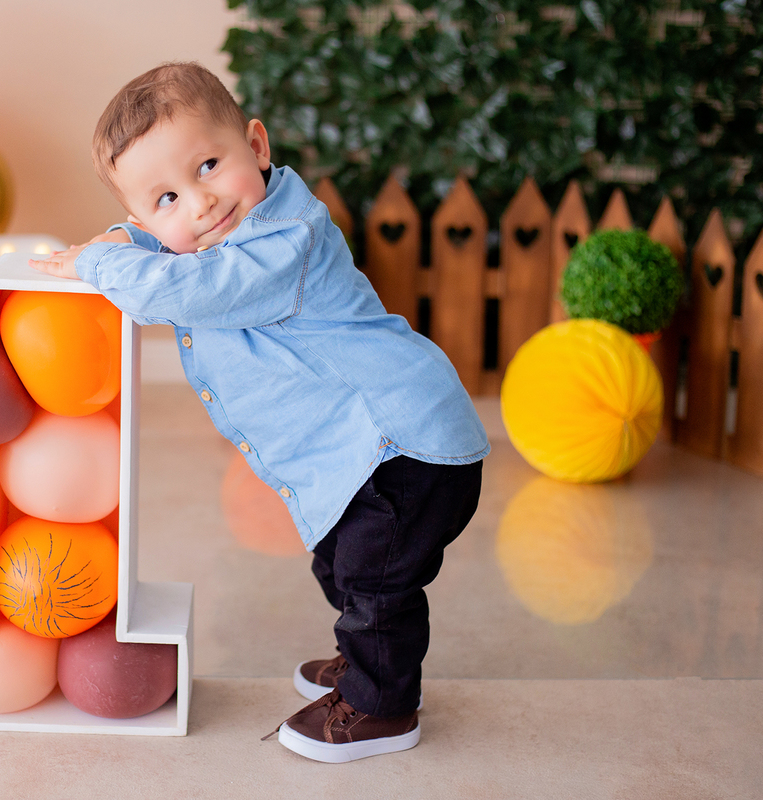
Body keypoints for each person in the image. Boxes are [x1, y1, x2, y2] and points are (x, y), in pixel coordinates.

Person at [29, 62, 488, 763]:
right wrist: (124, 243)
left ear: (258, 146)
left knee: (375, 581)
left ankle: (381, 706)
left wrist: (102, 261)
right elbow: (168, 254)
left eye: (210, 164)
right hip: (363, 456)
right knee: (340, 566)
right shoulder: (214, 239)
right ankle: (370, 663)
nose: (202, 203)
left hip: (403, 443)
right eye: (166, 198)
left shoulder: (284, 240)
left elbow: (188, 288)